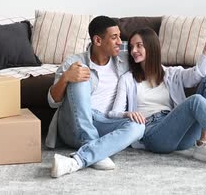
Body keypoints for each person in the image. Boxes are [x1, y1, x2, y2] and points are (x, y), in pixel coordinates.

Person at [108, 26, 206, 170]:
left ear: (151, 47)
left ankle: (203, 143)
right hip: (153, 134)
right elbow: (113, 113)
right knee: (195, 101)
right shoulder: (127, 79)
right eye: (131, 47)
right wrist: (127, 114)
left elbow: (197, 75)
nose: (134, 50)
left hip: (180, 133)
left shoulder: (171, 73)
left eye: (139, 45)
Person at [46, 16, 145, 178]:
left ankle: (84, 155)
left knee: (138, 126)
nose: (120, 42)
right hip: (74, 124)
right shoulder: (74, 61)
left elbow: (150, 54)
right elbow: (52, 102)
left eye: (120, 36)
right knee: (80, 71)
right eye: (114, 37)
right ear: (98, 41)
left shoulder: (123, 60)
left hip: (104, 123)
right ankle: (93, 146)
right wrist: (65, 78)